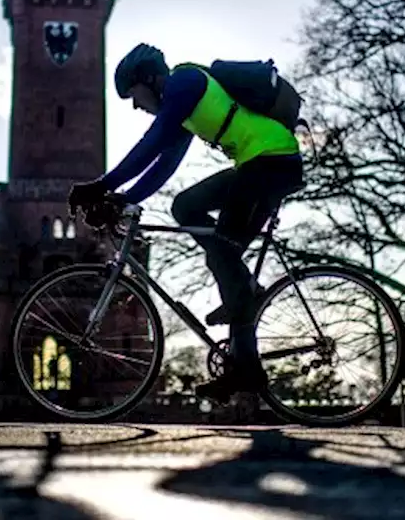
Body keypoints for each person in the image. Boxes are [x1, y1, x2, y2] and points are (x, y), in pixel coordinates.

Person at [68, 43, 305, 402]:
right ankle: (243, 291)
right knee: (185, 207)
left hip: (272, 163)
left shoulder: (185, 82)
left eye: (133, 95)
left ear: (148, 79)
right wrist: (123, 199)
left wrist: (102, 185)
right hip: (259, 165)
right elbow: (164, 164)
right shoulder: (182, 106)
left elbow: (153, 142)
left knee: (223, 257)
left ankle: (247, 368)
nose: (135, 106)